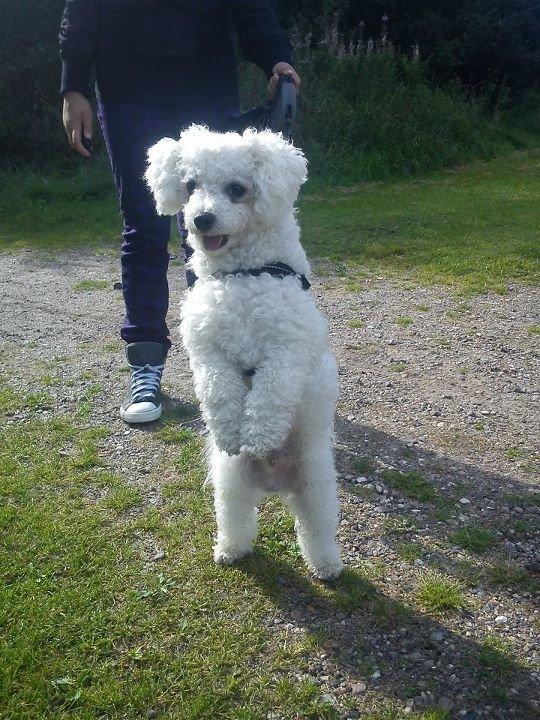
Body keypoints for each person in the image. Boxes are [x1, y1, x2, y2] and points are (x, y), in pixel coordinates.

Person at [59, 0, 300, 424]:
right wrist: (72, 86)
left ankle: (222, 364)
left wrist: (276, 58)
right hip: (127, 92)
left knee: (216, 234)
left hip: (206, 87)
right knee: (144, 229)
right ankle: (146, 365)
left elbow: (251, 8)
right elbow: (81, 11)